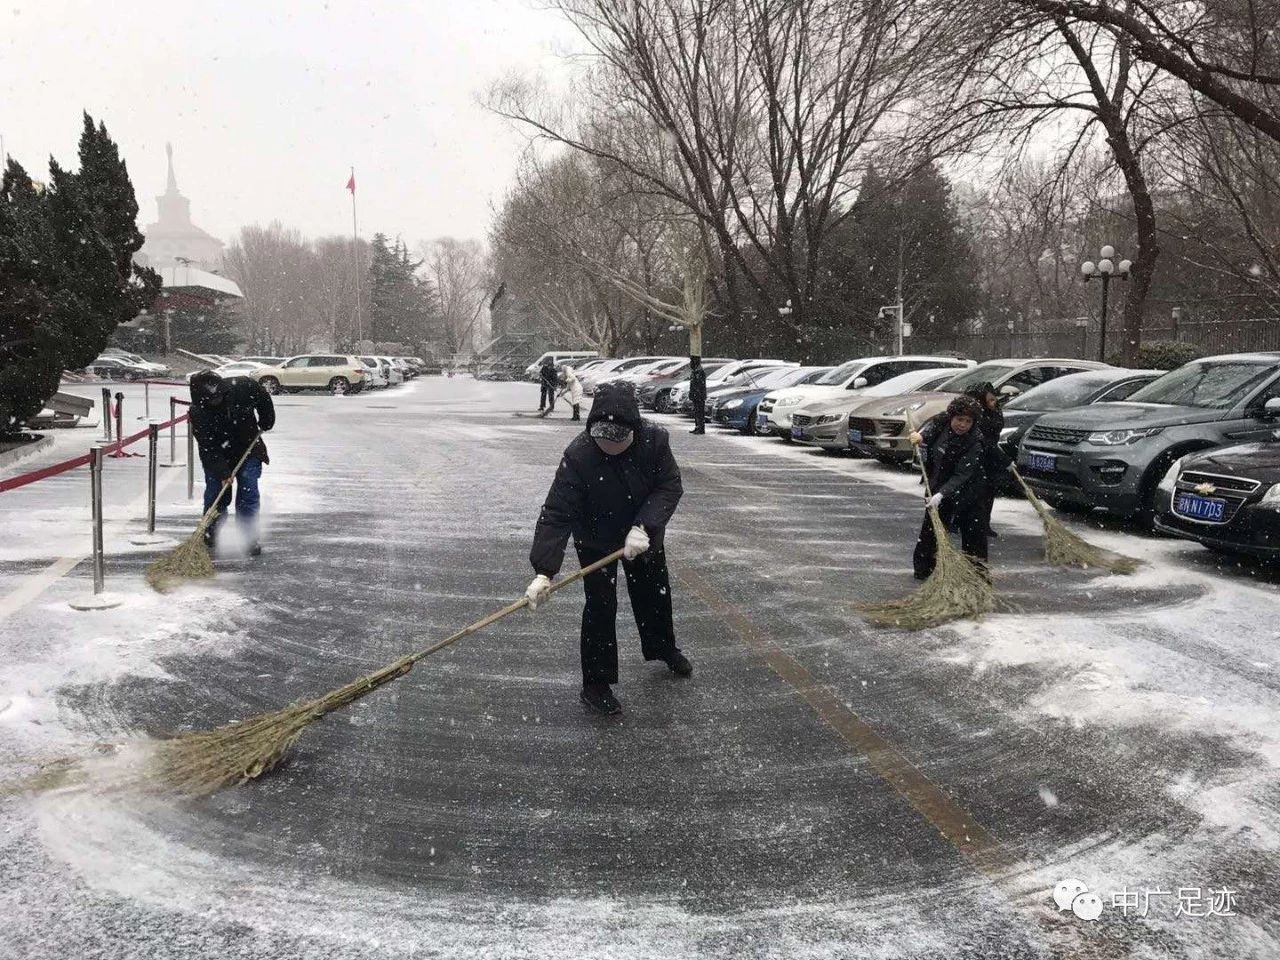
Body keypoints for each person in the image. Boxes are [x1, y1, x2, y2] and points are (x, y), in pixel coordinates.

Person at [525, 381, 690, 715]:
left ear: (634, 429)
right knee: (600, 605)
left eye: (618, 440)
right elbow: (557, 512)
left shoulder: (654, 441)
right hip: (595, 536)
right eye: (604, 441)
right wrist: (544, 571)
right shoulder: (579, 454)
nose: (610, 447)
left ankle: (662, 647)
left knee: (654, 593)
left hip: (642, 536)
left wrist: (644, 526)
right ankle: (596, 684)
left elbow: (669, 486)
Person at [189, 369, 275, 556]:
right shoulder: (198, 412)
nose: (216, 402)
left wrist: (267, 419)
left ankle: (249, 537)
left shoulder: (243, 386)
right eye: (211, 400)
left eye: (218, 397)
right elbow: (208, 447)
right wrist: (223, 473)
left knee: (248, 492)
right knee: (216, 494)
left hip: (248, 448)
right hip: (218, 454)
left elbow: (262, 397)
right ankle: (210, 532)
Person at [908, 395, 988, 580]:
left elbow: (962, 474)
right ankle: (923, 569)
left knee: (973, 532)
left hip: (969, 490)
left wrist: (942, 494)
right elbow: (930, 431)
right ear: (951, 416)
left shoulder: (975, 442)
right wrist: (920, 438)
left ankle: (977, 575)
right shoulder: (941, 422)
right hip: (938, 483)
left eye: (968, 421)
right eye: (959, 419)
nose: (963, 425)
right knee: (931, 528)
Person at [964, 381, 1010, 539]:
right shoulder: (976, 416)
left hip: (991, 457)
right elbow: (984, 441)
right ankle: (964, 521)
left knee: (989, 490)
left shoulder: (996, 412)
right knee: (975, 491)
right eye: (989, 400)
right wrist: (1005, 459)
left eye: (994, 399)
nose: (993, 402)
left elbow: (993, 436)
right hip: (977, 455)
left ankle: (984, 523)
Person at [688, 356, 707, 434]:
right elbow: (693, 384)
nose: (690, 364)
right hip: (696, 395)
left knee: (700, 412)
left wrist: (697, 393)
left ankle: (701, 428)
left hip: (699, 396)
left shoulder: (700, 371)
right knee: (696, 412)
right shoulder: (695, 371)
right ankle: (697, 427)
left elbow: (700, 385)